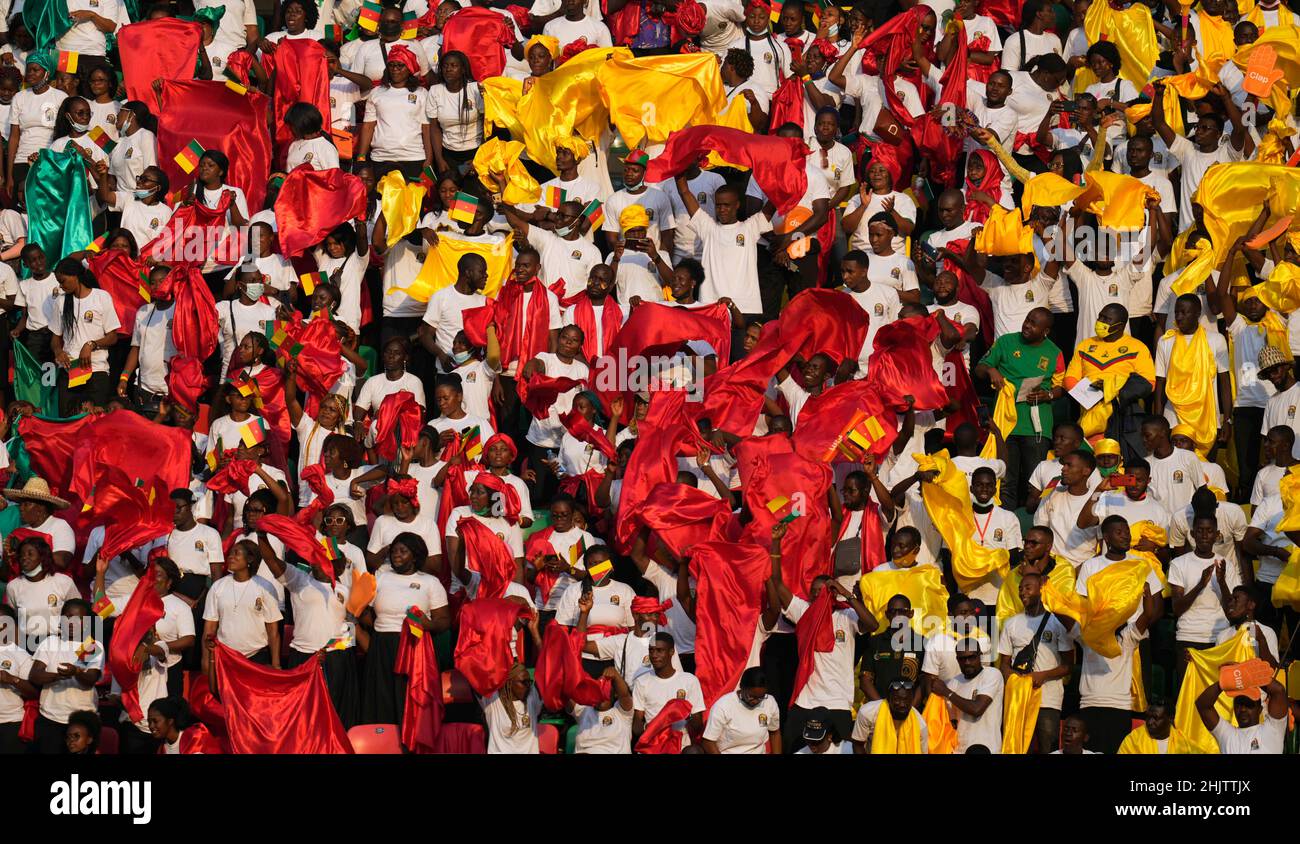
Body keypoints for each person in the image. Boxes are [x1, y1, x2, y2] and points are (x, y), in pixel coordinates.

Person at [975, 308, 1066, 510]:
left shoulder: (1055, 353)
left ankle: (1033, 526)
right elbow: (979, 368)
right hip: (1005, 424)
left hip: (1036, 425)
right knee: (1006, 479)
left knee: (1034, 480)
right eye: (1027, 319)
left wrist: (1048, 395)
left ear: (1046, 331)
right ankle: (1006, 522)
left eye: (1034, 324)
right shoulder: (1006, 341)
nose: (1027, 325)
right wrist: (991, 370)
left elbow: (1060, 387)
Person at [996, 571, 1074, 753]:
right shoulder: (1011, 623)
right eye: (1020, 588)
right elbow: (1004, 663)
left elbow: (1068, 666)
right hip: (1019, 699)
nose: (1023, 592)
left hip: (1048, 699)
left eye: (1028, 588)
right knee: (1021, 748)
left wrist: (1042, 675)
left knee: (1049, 747)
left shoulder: (1057, 622)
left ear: (1041, 589)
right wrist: (1012, 677)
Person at [29, 600, 103, 754]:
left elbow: (91, 678)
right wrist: (58, 676)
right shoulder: (50, 642)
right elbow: (35, 675)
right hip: (50, 719)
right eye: (67, 617)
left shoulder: (91, 645)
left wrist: (75, 672)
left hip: (81, 723)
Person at [631, 632, 705, 751]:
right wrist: (648, 729)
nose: (654, 655)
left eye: (660, 650)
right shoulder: (641, 682)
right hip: (653, 745)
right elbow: (636, 724)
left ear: (671, 652)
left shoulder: (689, 680)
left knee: (694, 751)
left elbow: (698, 724)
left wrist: (682, 712)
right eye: (651, 650)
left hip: (680, 744)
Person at [1196, 674, 1289, 755]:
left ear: (1260, 709)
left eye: (1248, 704)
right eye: (1239, 704)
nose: (1243, 709)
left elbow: (1278, 691)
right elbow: (1203, 705)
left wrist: (1249, 676)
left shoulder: (1273, 729)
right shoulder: (1227, 735)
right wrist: (1223, 683)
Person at [700, 667, 781, 754]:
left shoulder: (770, 702)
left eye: (761, 697)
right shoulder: (723, 705)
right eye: (751, 696)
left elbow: (774, 733)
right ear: (741, 686)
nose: (755, 701)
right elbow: (708, 742)